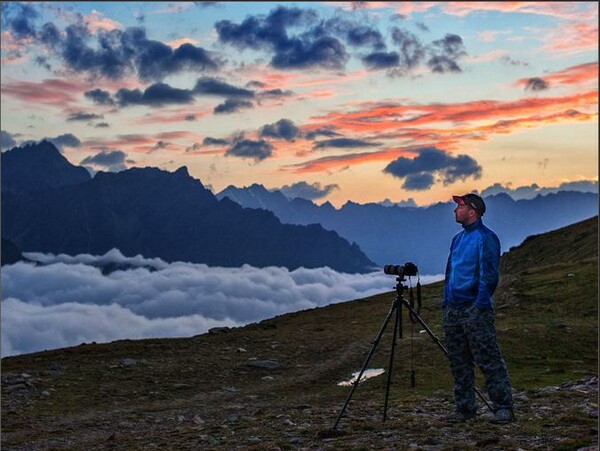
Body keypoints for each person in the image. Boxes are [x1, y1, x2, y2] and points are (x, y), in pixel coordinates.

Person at [443, 193, 514, 423]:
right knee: (459, 362)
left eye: (459, 206)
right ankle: (465, 410)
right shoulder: (457, 239)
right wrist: (446, 303)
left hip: (475, 309)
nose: (455, 210)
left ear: (472, 210)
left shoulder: (486, 238)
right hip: (453, 310)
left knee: (488, 358)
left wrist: (480, 305)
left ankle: (504, 407)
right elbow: (449, 273)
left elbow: (489, 276)